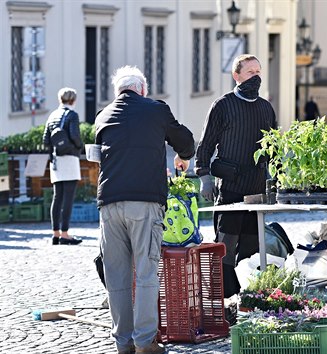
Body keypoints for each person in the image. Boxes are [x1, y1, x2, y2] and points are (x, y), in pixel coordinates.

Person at [95, 65, 195, 354]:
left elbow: (95, 156)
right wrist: (183, 157)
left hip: (109, 203)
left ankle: (122, 344)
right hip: (145, 202)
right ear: (142, 89)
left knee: (117, 276)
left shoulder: (103, 116)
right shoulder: (156, 109)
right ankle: (145, 342)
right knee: (147, 272)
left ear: (118, 92)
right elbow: (185, 141)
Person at [195, 54, 277, 299]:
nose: (256, 76)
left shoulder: (265, 107)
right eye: (250, 72)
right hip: (230, 189)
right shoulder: (223, 105)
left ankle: (249, 298)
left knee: (252, 249)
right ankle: (221, 298)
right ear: (237, 75)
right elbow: (206, 144)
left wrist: (279, 178)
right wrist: (204, 177)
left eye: (258, 71)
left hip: (257, 191)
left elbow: (274, 147)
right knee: (225, 247)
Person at [42, 87, 83, 245]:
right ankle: (65, 234)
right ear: (73, 100)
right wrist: (79, 147)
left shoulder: (52, 115)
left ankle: (55, 233)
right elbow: (75, 136)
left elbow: (46, 139)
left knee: (57, 197)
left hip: (56, 160)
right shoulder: (72, 115)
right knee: (68, 197)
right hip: (70, 158)